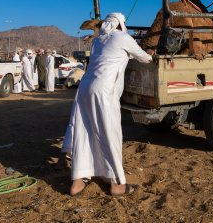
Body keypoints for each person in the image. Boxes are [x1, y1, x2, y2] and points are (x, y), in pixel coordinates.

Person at [59, 12, 152, 197]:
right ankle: (117, 183)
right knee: (110, 133)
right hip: (104, 90)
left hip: (84, 88)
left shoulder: (96, 41)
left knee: (84, 131)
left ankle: (77, 181)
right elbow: (143, 58)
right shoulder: (123, 37)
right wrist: (151, 54)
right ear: (121, 24)